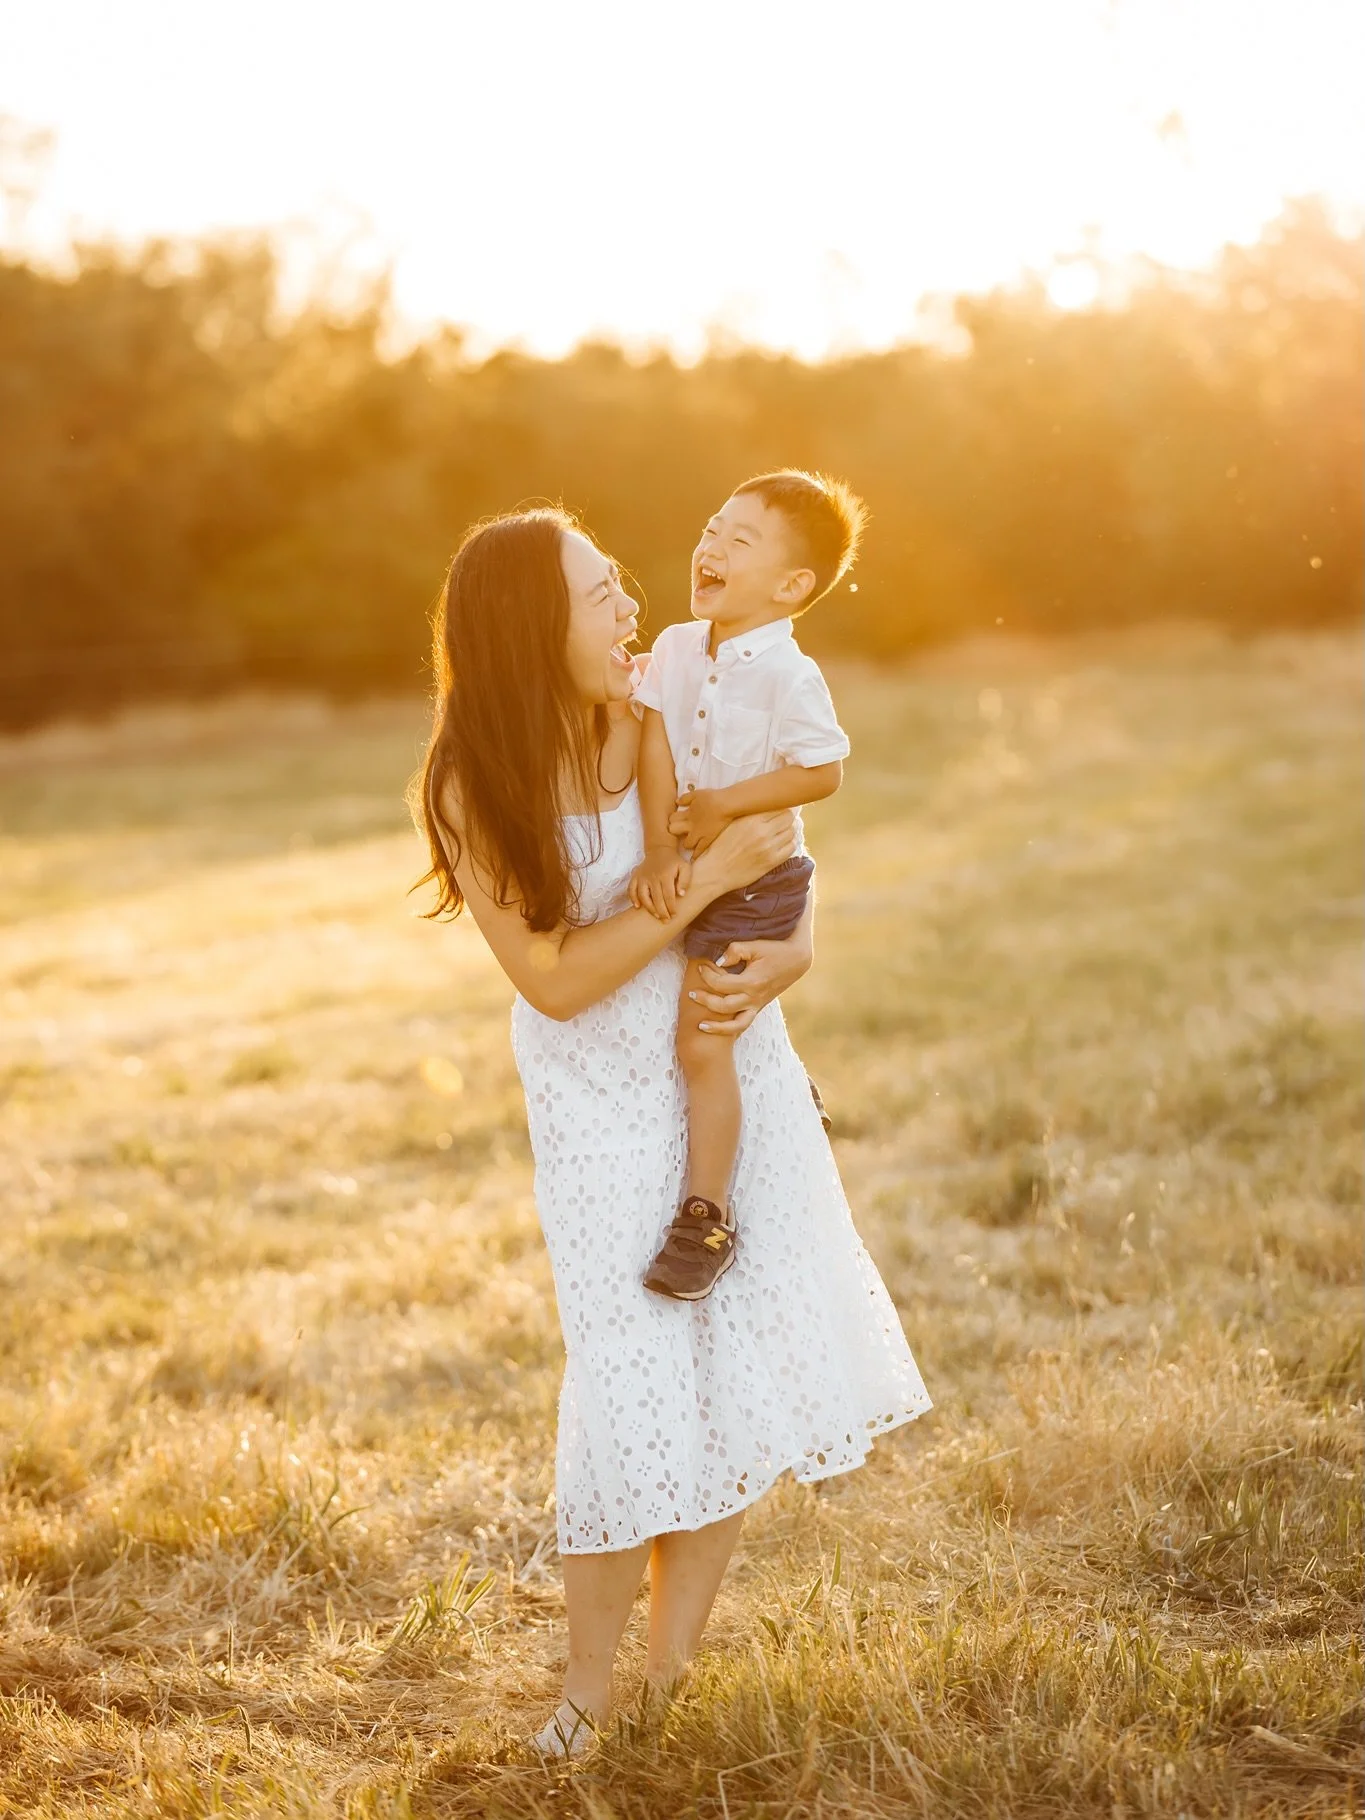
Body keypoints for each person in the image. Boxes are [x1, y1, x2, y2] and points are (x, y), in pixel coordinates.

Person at [412, 507, 931, 1758]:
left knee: (726, 1375)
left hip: (721, 1052)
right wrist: (691, 888)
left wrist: (789, 953)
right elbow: (553, 978)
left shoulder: (654, 708)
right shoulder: (468, 780)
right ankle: (589, 1689)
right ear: (538, 625)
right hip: (596, 1099)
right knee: (625, 1383)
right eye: (601, 595)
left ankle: (665, 1678)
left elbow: (778, 858)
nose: (631, 611)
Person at [630, 470, 862, 1302]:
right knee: (693, 1031)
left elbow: (823, 770)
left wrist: (727, 802)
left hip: (759, 879)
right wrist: (660, 849)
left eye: (739, 540)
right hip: (690, 863)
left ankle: (706, 1220)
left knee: (699, 1044)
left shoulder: (788, 674)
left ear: (791, 585)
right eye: (710, 527)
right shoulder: (675, 649)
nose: (710, 547)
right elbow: (653, 745)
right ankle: (779, 1097)